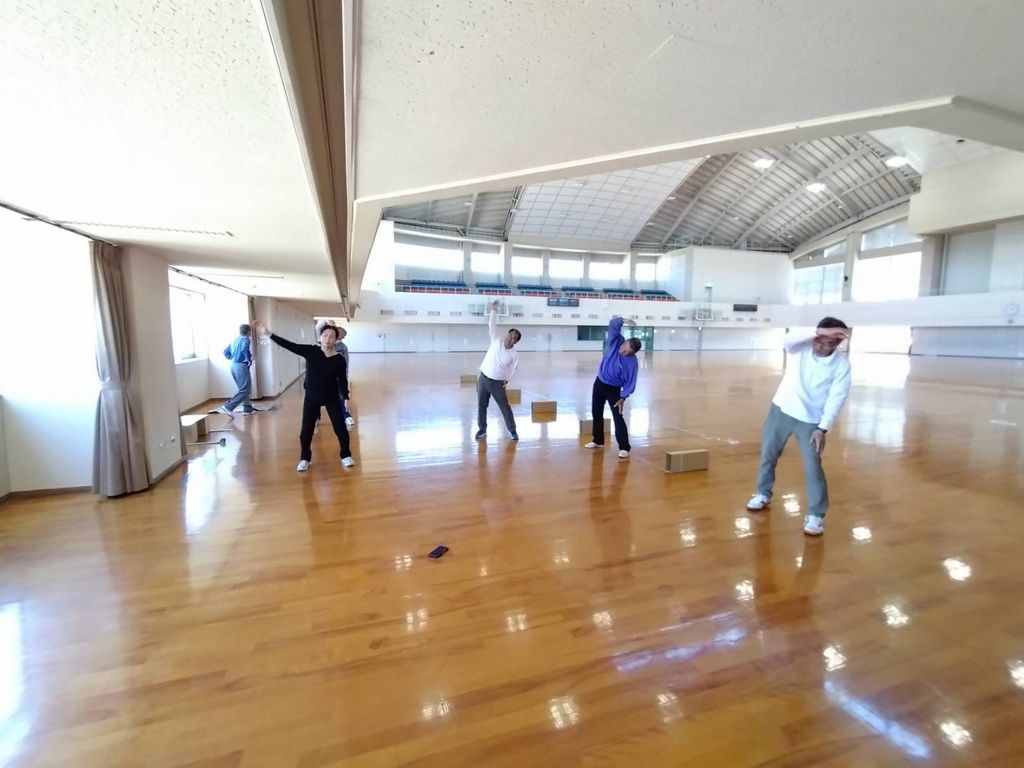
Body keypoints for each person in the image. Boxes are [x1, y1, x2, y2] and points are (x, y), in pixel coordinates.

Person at [746, 317, 852, 536]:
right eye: (820, 339)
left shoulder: (841, 364)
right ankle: (763, 493)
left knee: (813, 467)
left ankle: (816, 515)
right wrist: (821, 331)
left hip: (811, 421)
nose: (823, 346)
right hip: (781, 410)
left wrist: (822, 429)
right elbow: (788, 338)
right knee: (768, 454)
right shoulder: (799, 347)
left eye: (831, 342)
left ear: (838, 343)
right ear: (815, 335)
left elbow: (837, 397)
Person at [252, 320, 353, 472]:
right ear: (320, 338)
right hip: (312, 397)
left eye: (332, 336)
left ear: (336, 340)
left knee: (340, 429)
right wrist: (268, 333)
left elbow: (342, 380)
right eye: (325, 335)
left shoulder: (339, 359)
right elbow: (289, 345)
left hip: (332, 397)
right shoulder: (311, 351)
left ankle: (346, 455)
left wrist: (345, 397)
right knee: (306, 430)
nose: (328, 339)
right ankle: (305, 458)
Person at [585, 316, 641, 458]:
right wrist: (624, 320)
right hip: (599, 382)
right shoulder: (616, 341)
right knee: (596, 412)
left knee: (618, 416)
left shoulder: (632, 363)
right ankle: (597, 440)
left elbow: (631, 382)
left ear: (632, 353)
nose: (622, 351)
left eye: (626, 352)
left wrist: (623, 397)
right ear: (625, 342)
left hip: (613, 389)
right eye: (623, 348)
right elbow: (613, 324)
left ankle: (624, 447)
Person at [475, 300, 522, 441]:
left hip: (497, 383)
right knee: (481, 405)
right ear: (507, 335)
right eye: (510, 335)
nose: (511, 339)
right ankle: (482, 430)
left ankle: (513, 431)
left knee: (504, 407)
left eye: (514, 339)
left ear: (516, 342)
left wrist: (507, 380)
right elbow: (492, 324)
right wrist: (494, 310)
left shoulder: (514, 354)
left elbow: (514, 369)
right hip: (483, 379)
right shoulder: (496, 340)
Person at [315, 321, 356, 428]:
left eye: (343, 335)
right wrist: (324, 322)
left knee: (342, 397)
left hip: (337, 378)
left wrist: (344, 376)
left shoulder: (343, 347)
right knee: (317, 398)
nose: (342, 336)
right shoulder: (321, 344)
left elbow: (345, 363)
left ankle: (346, 415)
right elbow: (317, 329)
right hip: (321, 378)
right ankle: (316, 417)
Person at [211, 323, 255, 416]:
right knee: (245, 389)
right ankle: (228, 407)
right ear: (248, 332)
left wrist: (232, 358)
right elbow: (244, 350)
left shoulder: (235, 339)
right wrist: (249, 360)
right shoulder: (245, 339)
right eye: (250, 331)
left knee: (242, 388)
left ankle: (247, 408)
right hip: (241, 366)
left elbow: (225, 351)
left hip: (233, 366)